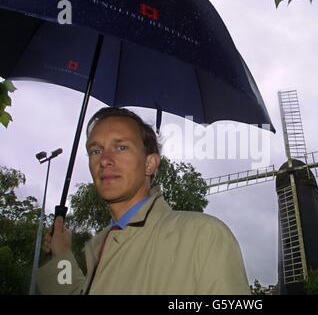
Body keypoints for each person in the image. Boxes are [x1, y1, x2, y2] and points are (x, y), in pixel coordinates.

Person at [37, 107, 251, 295]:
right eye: (95, 150)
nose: (104, 160)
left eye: (121, 147)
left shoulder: (203, 236)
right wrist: (62, 257)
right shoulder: (99, 247)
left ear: (150, 164)